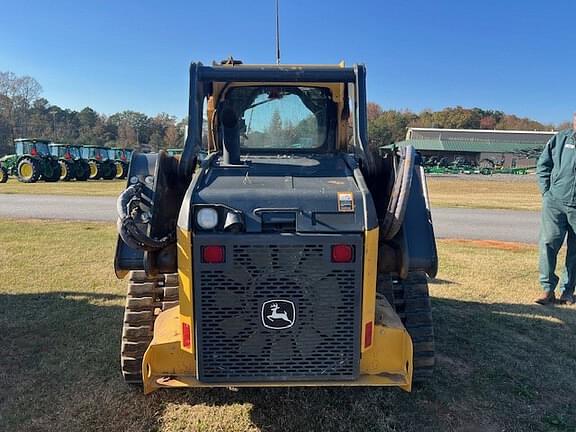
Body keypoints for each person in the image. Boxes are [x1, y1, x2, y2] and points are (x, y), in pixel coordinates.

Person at [535, 112, 576, 305]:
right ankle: (547, 289)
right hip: (555, 202)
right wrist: (546, 192)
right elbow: (543, 165)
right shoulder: (560, 139)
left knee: (575, 251)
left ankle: (568, 291)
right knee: (548, 242)